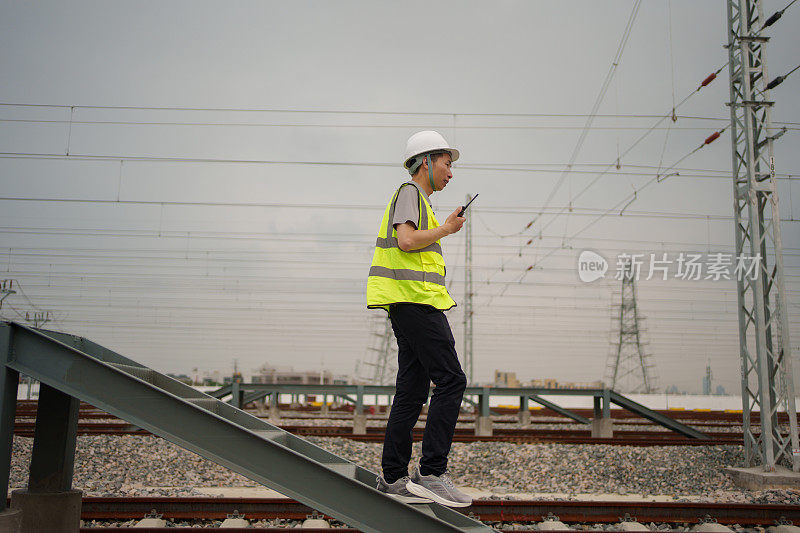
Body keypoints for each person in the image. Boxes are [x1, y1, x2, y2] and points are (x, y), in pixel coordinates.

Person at [366, 131, 472, 508]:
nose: (450, 173)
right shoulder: (410, 193)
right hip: (416, 304)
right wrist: (446, 229)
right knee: (452, 380)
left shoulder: (418, 201)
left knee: (411, 392)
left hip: (407, 304)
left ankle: (393, 478)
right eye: (447, 163)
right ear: (426, 161)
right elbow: (407, 242)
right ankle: (430, 474)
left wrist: (441, 226)